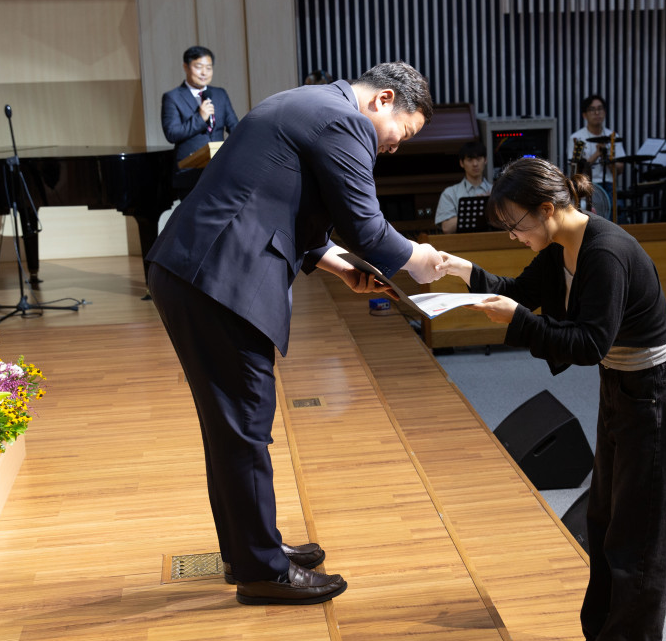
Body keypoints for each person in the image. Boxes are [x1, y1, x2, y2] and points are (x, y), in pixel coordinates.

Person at [146, 61, 446, 605]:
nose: (394, 147)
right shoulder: (343, 120)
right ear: (383, 100)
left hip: (198, 270)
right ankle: (263, 572)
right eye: (402, 134)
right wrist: (416, 258)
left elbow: (278, 203)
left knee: (231, 427)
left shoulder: (306, 103)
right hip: (219, 278)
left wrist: (339, 266)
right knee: (244, 425)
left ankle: (250, 550)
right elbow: (366, 227)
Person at [437, 157, 666, 641]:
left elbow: (587, 343)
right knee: (604, 521)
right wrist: (459, 270)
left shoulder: (604, 252)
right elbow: (519, 292)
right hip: (623, 387)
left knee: (641, 532)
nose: (513, 236)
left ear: (547, 209)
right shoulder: (561, 246)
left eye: (515, 224)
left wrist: (520, 324)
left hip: (658, 394)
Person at [161, 46, 239, 190]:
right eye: (198, 67)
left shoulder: (220, 94)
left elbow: (234, 127)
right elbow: (172, 134)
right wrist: (200, 118)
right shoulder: (173, 97)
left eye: (209, 68)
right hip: (189, 171)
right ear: (186, 67)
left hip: (219, 168)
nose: (204, 72)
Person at [567, 94, 625, 221]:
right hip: (586, 186)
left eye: (600, 109)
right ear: (584, 115)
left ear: (605, 112)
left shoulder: (613, 136)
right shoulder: (577, 138)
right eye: (592, 110)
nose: (597, 113)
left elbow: (620, 169)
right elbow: (576, 171)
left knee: (619, 210)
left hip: (608, 184)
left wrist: (607, 157)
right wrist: (596, 154)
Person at [435, 140, 491, 233]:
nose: (475, 164)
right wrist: (476, 210)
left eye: (479, 159)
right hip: (461, 241)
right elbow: (447, 228)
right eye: (470, 160)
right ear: (461, 163)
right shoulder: (449, 193)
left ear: (485, 160)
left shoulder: (496, 191)